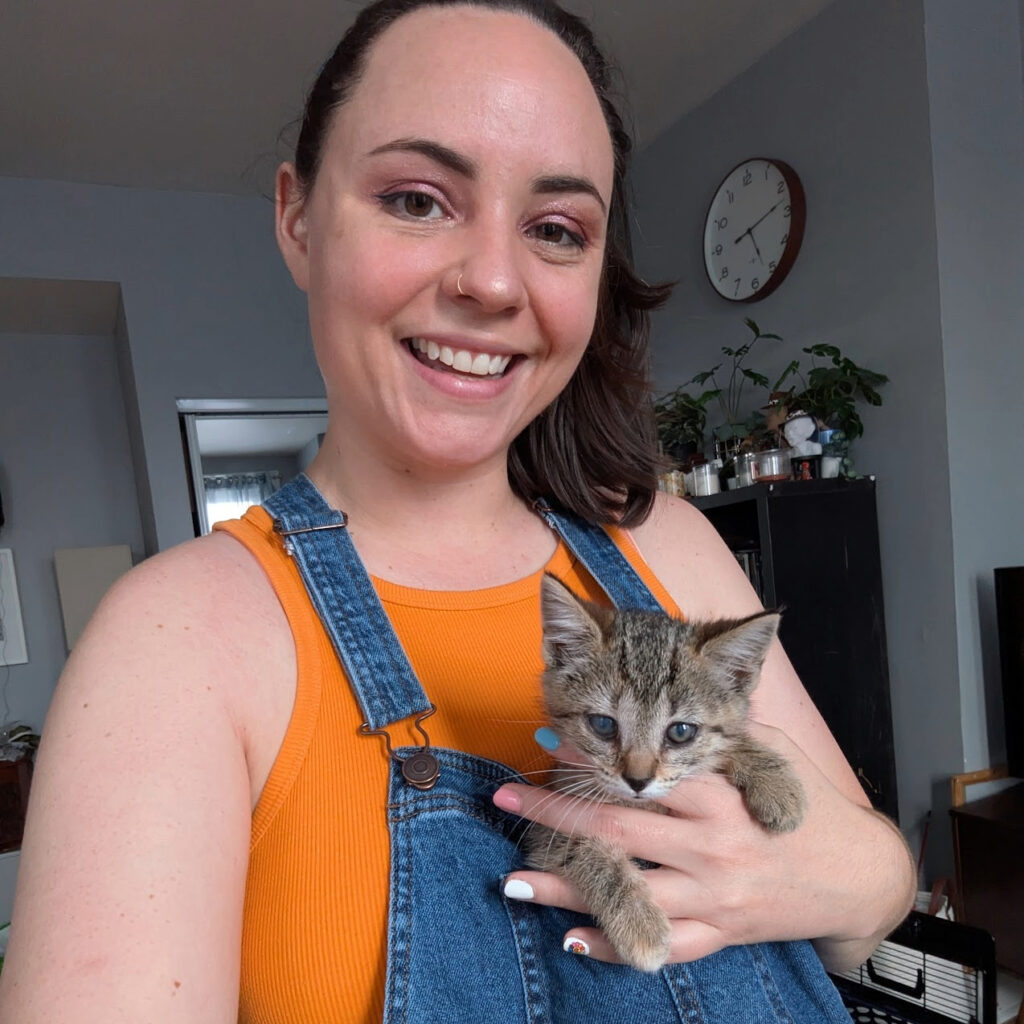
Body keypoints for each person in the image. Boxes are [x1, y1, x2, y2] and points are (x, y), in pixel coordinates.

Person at [0, 1, 915, 1021]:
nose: (490, 281)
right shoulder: (175, 641)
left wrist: (831, 871)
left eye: (555, 229)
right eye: (417, 199)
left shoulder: (670, 543)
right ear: (298, 218)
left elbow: (877, 898)